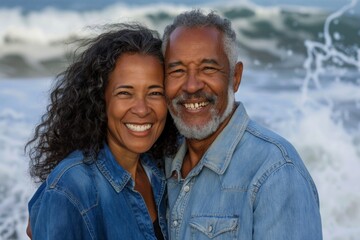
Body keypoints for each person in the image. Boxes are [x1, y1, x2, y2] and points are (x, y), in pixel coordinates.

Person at [161, 9, 323, 239]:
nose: (191, 86)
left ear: (235, 77)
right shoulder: (161, 159)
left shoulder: (276, 173)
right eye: (177, 70)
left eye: (208, 68)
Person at [25, 23, 179, 240]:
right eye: (125, 93)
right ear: (100, 99)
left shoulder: (160, 168)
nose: (142, 109)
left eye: (155, 92)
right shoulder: (71, 188)